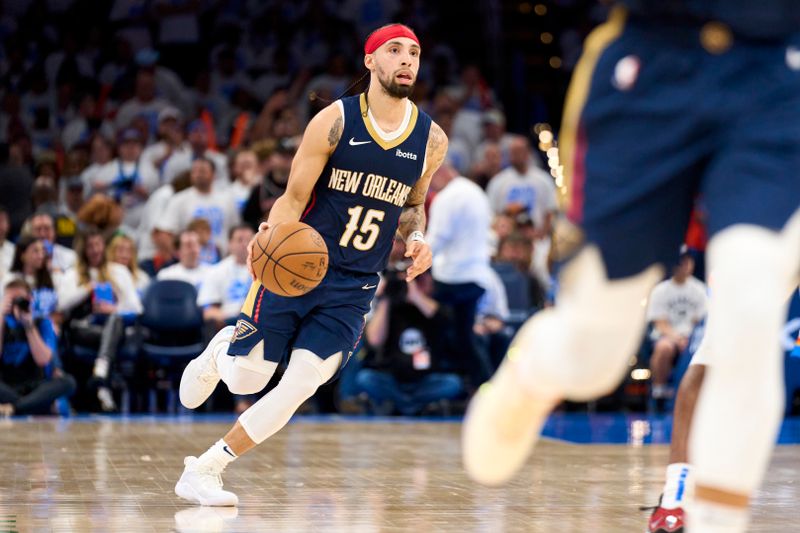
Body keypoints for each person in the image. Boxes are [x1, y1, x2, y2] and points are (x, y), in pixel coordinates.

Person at [461, 6, 800, 533]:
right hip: (654, 59)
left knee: (754, 304)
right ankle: (530, 375)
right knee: (595, 354)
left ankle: (711, 519)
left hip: (777, 69)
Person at [173, 23, 447, 506]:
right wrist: (273, 234)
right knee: (246, 379)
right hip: (299, 263)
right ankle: (221, 353)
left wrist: (419, 237)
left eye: (414, 53)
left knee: (301, 382)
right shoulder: (335, 120)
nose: (407, 59)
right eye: (395, 51)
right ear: (370, 62)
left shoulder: (430, 140)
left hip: (356, 283)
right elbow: (293, 197)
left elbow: (411, 206)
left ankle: (207, 469)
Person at [58, 229, 143, 411]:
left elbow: (136, 308)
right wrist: (88, 289)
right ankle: (102, 379)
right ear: (83, 250)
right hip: (83, 328)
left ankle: (101, 374)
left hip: (111, 327)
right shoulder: (73, 274)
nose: (95, 250)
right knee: (113, 330)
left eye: (98, 245)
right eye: (90, 246)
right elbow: (61, 305)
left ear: (104, 247)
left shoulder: (118, 272)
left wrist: (113, 308)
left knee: (116, 320)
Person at [0, 279, 75, 416]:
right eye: (12, 300)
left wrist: (28, 325)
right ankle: (30, 406)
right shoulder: (2, 322)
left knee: (68, 382)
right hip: (6, 385)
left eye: (20, 299)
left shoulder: (42, 322)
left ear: (30, 299)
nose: (16, 304)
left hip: (35, 386)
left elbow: (43, 360)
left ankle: (15, 408)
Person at [646, 251, 707, 410]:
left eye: (688, 262)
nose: (685, 266)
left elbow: (701, 320)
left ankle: (699, 394)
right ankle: (659, 391)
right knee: (664, 348)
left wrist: (689, 338)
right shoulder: (660, 290)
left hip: (693, 337)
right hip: (668, 336)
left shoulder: (700, 289)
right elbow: (660, 322)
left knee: (703, 350)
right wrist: (677, 338)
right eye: (681, 262)